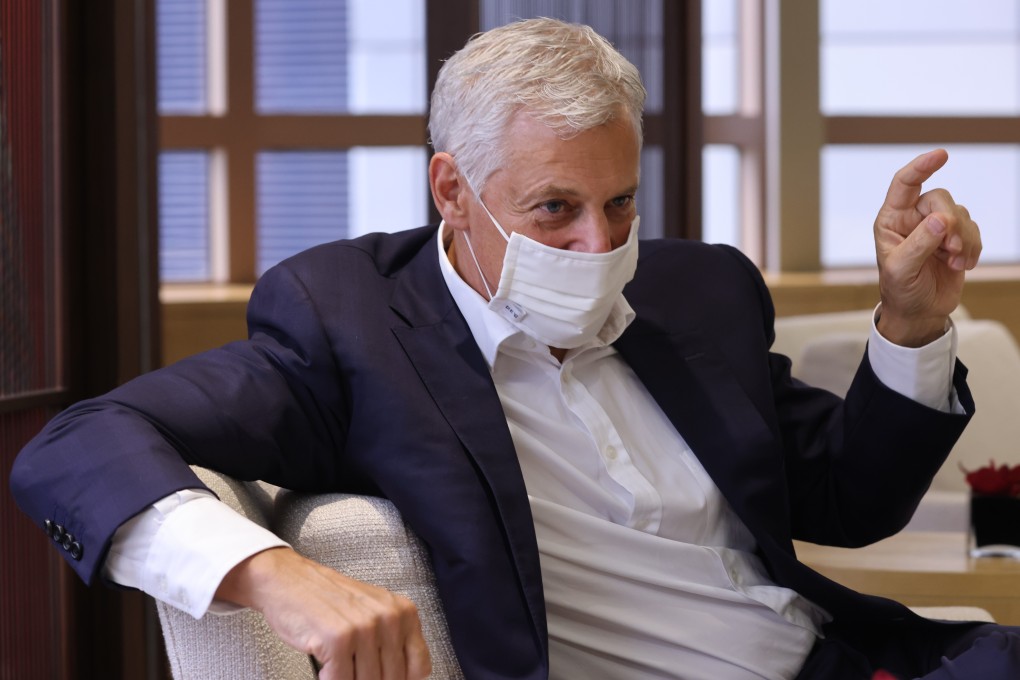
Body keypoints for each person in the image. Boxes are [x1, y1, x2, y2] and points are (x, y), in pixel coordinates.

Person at [9, 16, 1010, 680]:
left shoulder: (697, 288)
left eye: (620, 203)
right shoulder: (349, 320)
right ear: (453, 189)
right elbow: (79, 441)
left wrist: (911, 323)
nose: (599, 243)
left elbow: (852, 500)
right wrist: (271, 571)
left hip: (845, 657)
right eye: (555, 209)